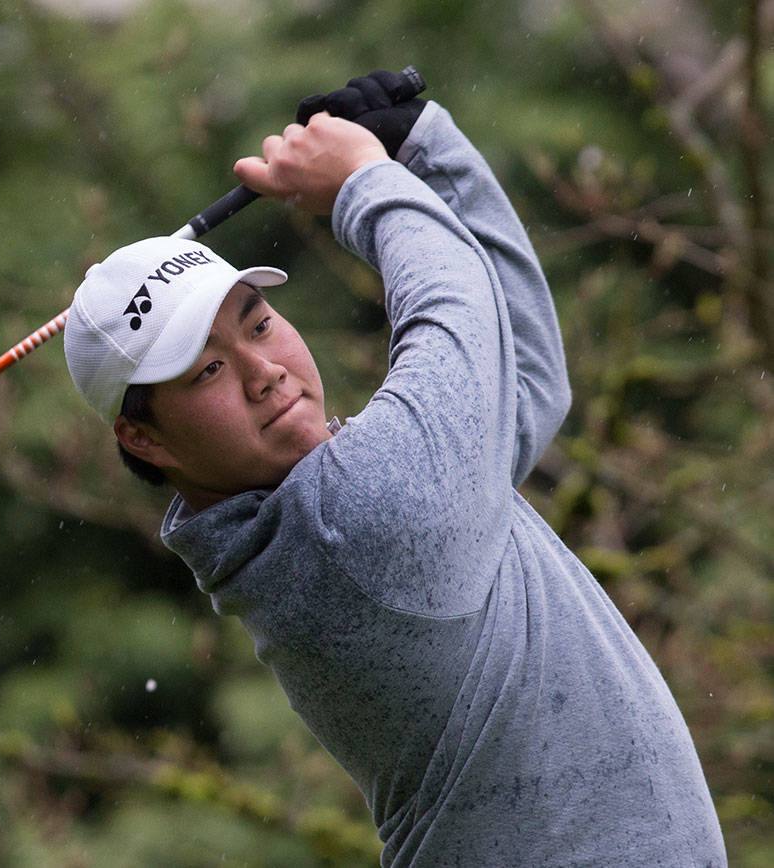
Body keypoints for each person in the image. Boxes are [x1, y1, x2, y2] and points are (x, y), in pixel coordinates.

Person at [62, 74, 726, 865]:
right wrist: (367, 184)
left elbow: (524, 380)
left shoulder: (354, 497)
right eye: (206, 372)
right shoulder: (349, 525)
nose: (263, 371)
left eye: (260, 324)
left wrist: (422, 149)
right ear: (147, 442)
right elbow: (453, 320)